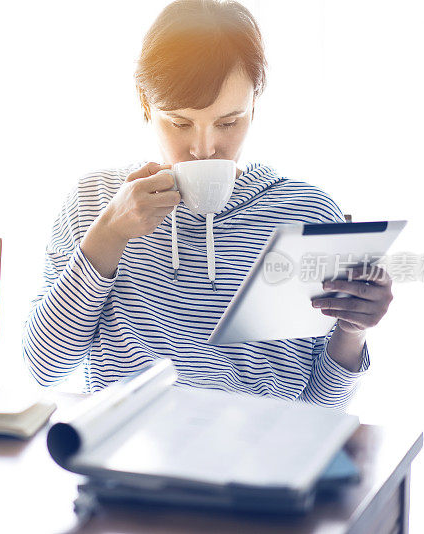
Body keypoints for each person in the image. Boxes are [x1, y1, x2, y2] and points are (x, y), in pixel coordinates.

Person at [22, 0, 392, 409]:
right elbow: (44, 367)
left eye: (229, 122)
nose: (204, 148)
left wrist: (352, 331)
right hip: (122, 457)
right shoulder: (94, 200)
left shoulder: (307, 214)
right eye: (180, 123)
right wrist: (108, 234)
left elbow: (320, 410)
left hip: (256, 460)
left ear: (255, 104)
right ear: (146, 105)